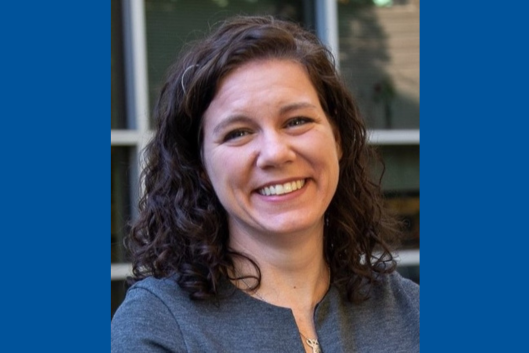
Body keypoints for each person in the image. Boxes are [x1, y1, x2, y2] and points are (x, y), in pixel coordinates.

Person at [111, 15, 419, 353]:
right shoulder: (159, 325)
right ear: (200, 166)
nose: (274, 153)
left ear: (338, 138)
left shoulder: (412, 312)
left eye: (297, 121)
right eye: (238, 133)